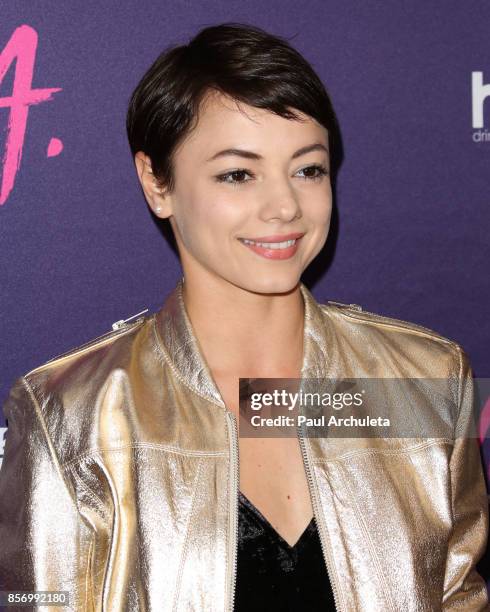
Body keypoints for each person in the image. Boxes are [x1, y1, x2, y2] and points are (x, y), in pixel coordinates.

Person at [0, 21, 488, 612]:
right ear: (157, 183)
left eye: (308, 169)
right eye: (238, 174)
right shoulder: (74, 413)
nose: (285, 206)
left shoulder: (425, 381)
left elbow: (459, 595)